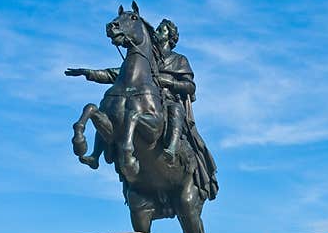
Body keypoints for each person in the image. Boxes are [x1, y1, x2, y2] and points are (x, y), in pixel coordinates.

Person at [66, 19, 218, 201]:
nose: (158, 31)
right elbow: (114, 73)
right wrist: (88, 73)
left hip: (164, 102)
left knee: (175, 110)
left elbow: (190, 87)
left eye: (162, 30)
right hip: (142, 100)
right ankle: (95, 156)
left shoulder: (178, 60)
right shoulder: (145, 59)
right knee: (113, 109)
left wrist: (169, 82)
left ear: (170, 37)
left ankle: (171, 147)